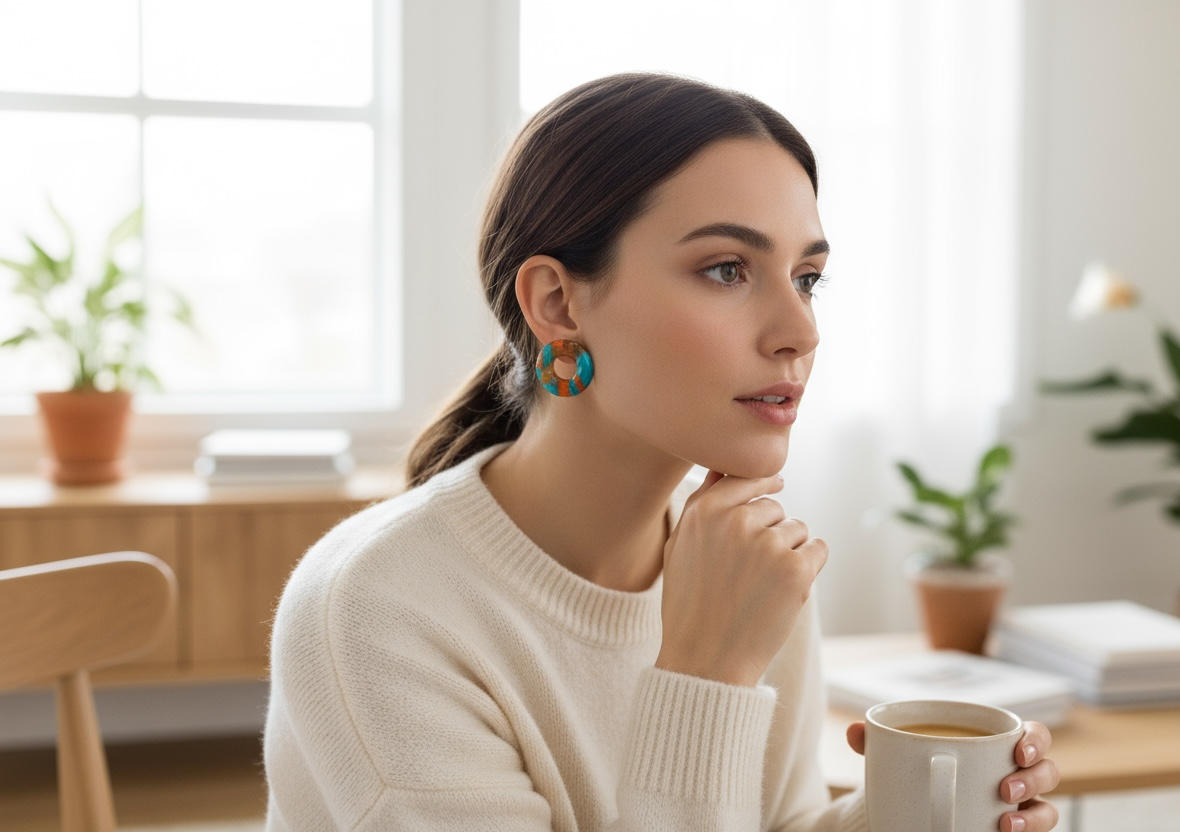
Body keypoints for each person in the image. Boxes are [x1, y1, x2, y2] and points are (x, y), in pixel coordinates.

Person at [263, 73, 1061, 831]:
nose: (801, 332)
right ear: (557, 302)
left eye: (808, 277)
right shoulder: (374, 612)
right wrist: (706, 672)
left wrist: (906, 815)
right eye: (726, 269)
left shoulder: (741, 559)